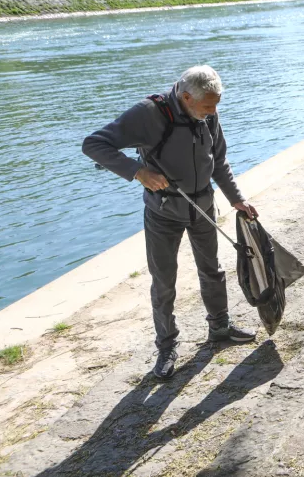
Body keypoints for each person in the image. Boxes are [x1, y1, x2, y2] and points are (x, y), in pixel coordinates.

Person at [82, 65, 258, 380]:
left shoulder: (208, 113)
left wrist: (236, 198)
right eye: (207, 106)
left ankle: (219, 328)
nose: (213, 112)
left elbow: (219, 161)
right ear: (186, 96)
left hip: (202, 205)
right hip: (163, 212)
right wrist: (137, 171)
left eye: (216, 105)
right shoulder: (147, 114)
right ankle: (166, 346)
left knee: (213, 271)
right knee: (164, 281)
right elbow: (94, 144)